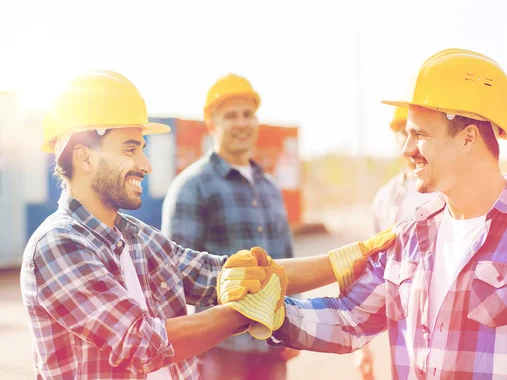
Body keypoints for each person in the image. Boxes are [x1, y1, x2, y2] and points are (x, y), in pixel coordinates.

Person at [221, 49, 507, 378]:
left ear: (469, 137)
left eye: (420, 134)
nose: (407, 149)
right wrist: (271, 310)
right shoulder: (412, 234)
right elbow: (350, 318)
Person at [20, 70, 395, 379]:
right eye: (131, 148)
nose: (146, 165)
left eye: (142, 149)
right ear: (85, 158)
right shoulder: (58, 246)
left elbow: (220, 274)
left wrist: (348, 258)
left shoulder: (136, 239)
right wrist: (249, 311)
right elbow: (142, 343)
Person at [161, 74, 299, 380]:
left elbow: (286, 265)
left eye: (247, 114)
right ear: (212, 125)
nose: (241, 123)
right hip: (220, 352)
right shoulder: (191, 187)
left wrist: (295, 325)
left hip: (272, 344)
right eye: (230, 116)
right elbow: (171, 276)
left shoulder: (270, 187)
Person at [356, 106, 435, 380]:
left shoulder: (450, 187)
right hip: (404, 324)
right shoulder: (386, 199)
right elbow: (370, 271)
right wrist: (362, 347)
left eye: (415, 131)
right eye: (402, 132)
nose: (408, 140)